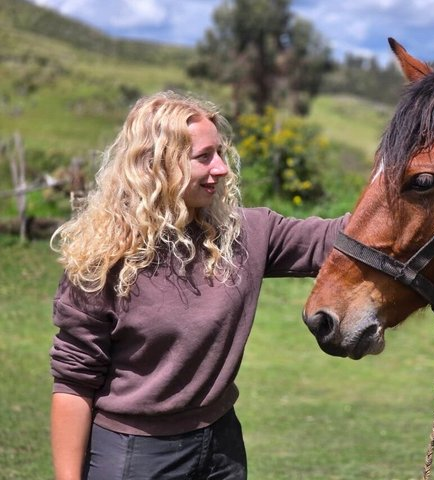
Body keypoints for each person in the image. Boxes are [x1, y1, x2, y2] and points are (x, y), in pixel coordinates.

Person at [49, 91, 348, 480]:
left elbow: (343, 238)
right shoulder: (103, 259)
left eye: (219, 153)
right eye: (204, 157)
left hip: (221, 445)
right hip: (136, 455)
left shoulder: (245, 234)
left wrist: (418, 188)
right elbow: (73, 383)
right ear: (158, 166)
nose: (221, 168)